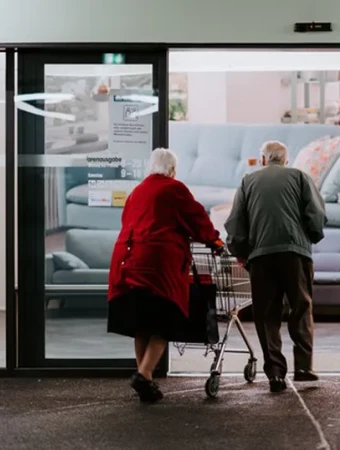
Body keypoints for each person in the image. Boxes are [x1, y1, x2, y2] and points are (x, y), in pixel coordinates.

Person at [107, 148, 224, 403]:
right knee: (165, 320)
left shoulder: (137, 191)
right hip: (156, 262)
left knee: (141, 324)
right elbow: (197, 218)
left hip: (127, 260)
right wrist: (214, 240)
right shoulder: (174, 189)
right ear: (172, 170)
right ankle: (144, 373)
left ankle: (145, 380)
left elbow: (129, 220)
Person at [224, 141, 326, 393]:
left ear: (263, 159)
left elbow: (236, 221)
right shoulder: (300, 178)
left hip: (261, 257)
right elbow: (316, 215)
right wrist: (310, 237)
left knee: (267, 315)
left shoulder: (248, 181)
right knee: (301, 308)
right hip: (295, 254)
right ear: (286, 160)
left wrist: (240, 251)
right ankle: (303, 368)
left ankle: (275, 374)